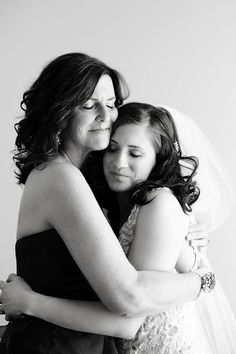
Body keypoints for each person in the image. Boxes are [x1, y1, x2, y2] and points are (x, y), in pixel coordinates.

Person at [0, 96, 218, 353]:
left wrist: (30, 303)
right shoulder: (106, 202)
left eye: (135, 153)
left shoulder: (159, 203)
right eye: (113, 149)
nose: (119, 162)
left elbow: (127, 323)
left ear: (158, 159)